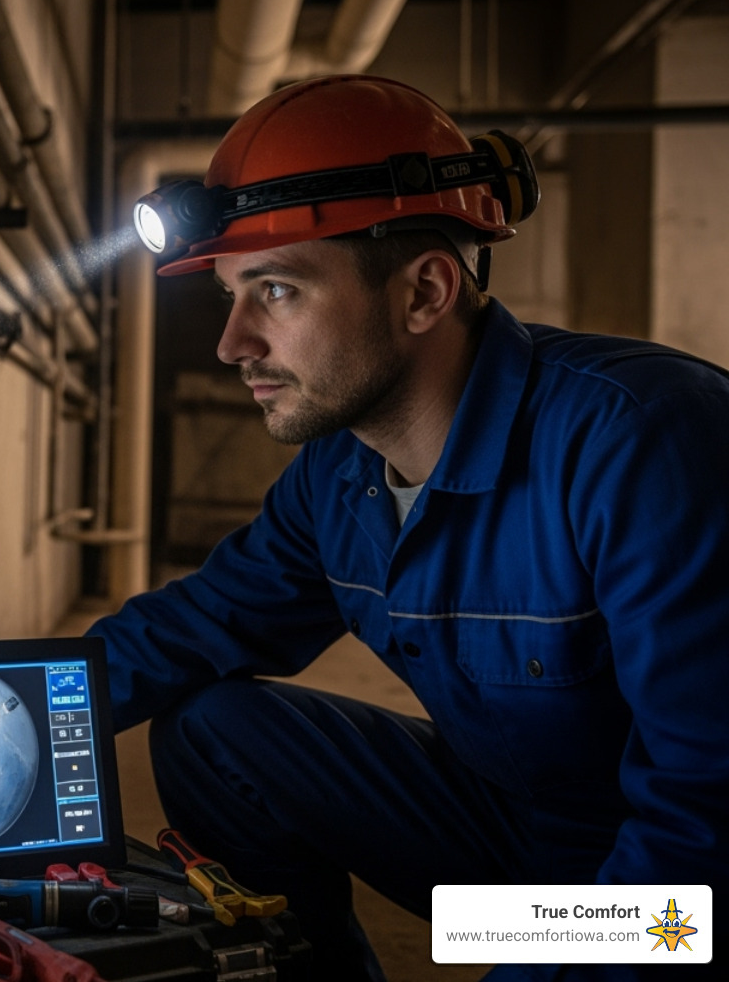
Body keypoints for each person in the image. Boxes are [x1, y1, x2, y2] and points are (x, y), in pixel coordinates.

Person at [93, 74, 728, 981]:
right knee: (212, 732)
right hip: (521, 850)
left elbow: (705, 825)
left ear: (424, 291)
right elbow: (193, 628)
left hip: (670, 901)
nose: (232, 344)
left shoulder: (645, 441)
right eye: (232, 295)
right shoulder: (339, 473)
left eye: (274, 291)